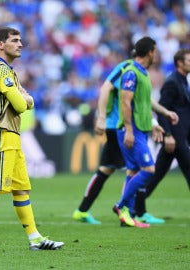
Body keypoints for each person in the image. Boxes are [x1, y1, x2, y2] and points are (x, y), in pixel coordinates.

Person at [0, 27, 64, 252]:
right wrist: (25, 99)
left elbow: (30, 101)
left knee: (20, 189)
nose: (20, 44)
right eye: (15, 40)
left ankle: (35, 238)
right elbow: (20, 104)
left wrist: (26, 99)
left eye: (20, 40)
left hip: (12, 136)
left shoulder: (10, 71)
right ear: (1, 44)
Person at [73, 55, 178, 225]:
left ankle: (84, 210)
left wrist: (154, 120)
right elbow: (106, 87)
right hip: (118, 125)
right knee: (136, 168)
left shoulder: (138, 71)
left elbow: (141, 101)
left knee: (111, 169)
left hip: (121, 125)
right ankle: (130, 211)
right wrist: (101, 117)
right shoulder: (126, 68)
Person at [112, 37, 177, 227]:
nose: (156, 54)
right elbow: (125, 102)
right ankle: (121, 205)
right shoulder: (131, 72)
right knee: (148, 170)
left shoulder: (143, 73)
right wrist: (129, 131)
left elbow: (144, 102)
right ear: (150, 52)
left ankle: (128, 216)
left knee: (132, 171)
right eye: (155, 51)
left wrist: (160, 117)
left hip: (140, 128)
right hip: (131, 129)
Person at [133, 48, 190, 223]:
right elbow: (164, 109)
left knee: (155, 175)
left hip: (180, 137)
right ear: (179, 62)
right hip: (175, 138)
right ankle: (132, 206)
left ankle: (134, 206)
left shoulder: (183, 81)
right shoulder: (172, 82)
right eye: (189, 60)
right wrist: (169, 135)